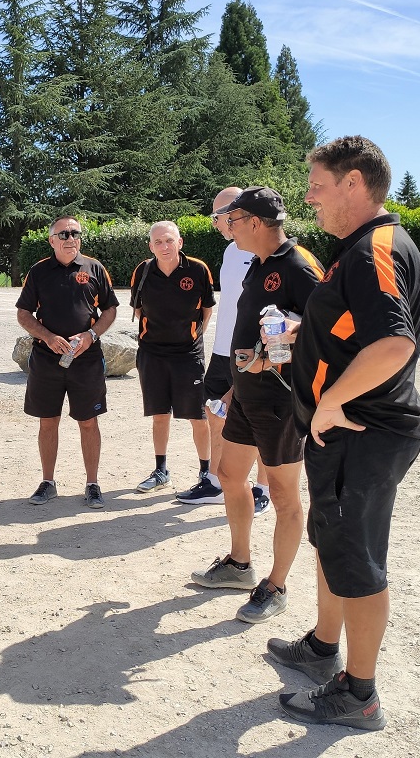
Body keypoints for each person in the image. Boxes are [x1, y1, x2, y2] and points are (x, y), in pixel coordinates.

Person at [270, 136, 420, 731]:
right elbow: (357, 329)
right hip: (346, 435)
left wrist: (331, 401)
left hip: (363, 432)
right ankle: (321, 646)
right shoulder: (359, 248)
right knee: (332, 542)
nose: (309, 197)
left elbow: (394, 344)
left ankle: (359, 693)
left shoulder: (372, 251)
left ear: (354, 182)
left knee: (356, 560)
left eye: (318, 186)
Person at [189, 186, 323, 624]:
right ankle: (240, 564)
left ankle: (276, 585)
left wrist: (275, 353)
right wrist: (234, 387)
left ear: (254, 222)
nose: (227, 226)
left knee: (283, 495)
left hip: (281, 399)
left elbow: (329, 330)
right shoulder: (257, 264)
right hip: (246, 394)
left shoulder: (299, 265)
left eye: (232, 219)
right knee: (230, 475)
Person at [176, 187, 272, 516]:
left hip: (254, 353)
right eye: (217, 217)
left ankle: (262, 489)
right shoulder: (232, 251)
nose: (218, 223)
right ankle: (215, 482)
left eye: (219, 215)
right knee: (215, 414)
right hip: (223, 351)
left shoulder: (269, 251)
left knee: (260, 421)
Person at [15, 216, 119, 509]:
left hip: (86, 360)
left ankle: (93, 484)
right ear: (52, 241)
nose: (71, 238)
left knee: (88, 421)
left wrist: (91, 335)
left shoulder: (94, 268)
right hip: (46, 359)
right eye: (63, 234)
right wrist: (47, 337)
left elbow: (110, 309)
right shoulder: (38, 271)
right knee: (48, 421)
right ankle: (48, 482)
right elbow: (23, 314)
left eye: (75, 233)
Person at [129, 221, 215, 494]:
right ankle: (161, 470)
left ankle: (206, 472)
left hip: (188, 354)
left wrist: (191, 336)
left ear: (180, 242)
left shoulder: (198, 270)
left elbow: (207, 310)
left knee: (198, 416)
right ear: (150, 246)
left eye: (169, 240)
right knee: (159, 415)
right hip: (152, 353)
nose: (164, 246)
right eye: (158, 242)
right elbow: (139, 310)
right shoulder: (142, 271)